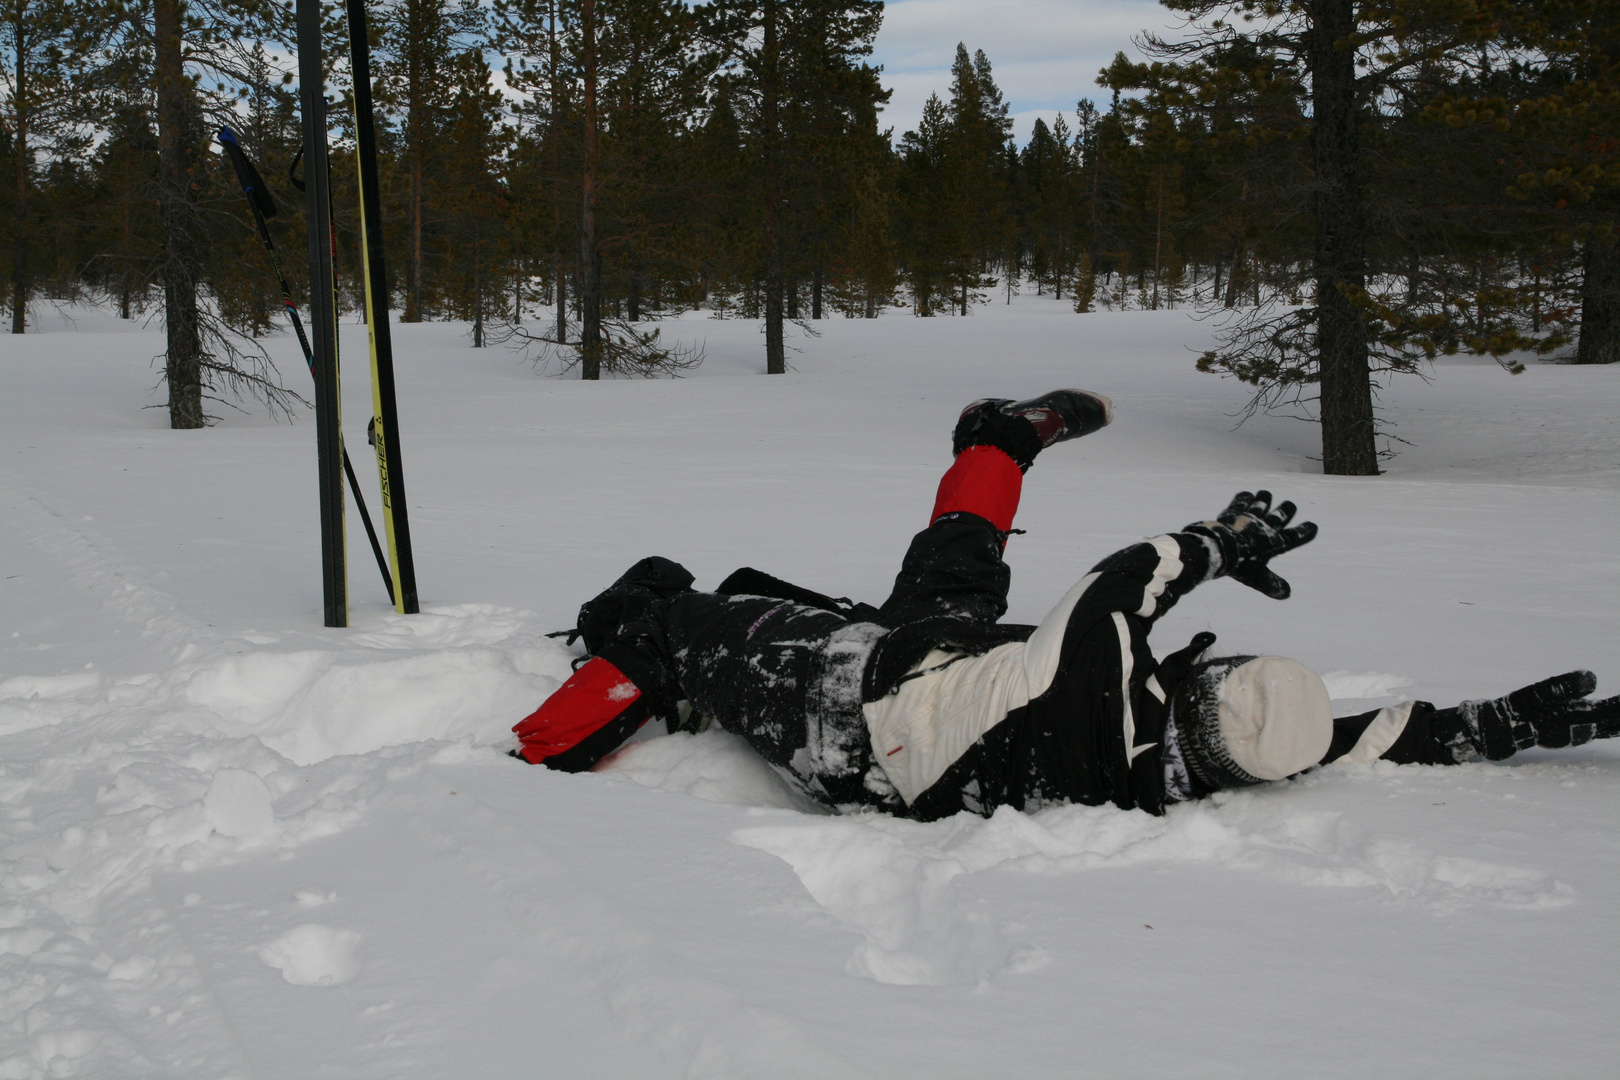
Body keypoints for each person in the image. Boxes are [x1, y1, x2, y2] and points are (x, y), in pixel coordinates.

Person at [510, 390, 1618, 819]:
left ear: (1202, 697)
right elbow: (1365, 738)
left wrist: (1221, 543)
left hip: (844, 704)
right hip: (940, 682)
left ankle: (539, 747)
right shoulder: (1193, 761)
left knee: (676, 620)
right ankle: (995, 438)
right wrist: (1492, 727)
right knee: (957, 575)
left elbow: (1122, 584)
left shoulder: (1092, 671)